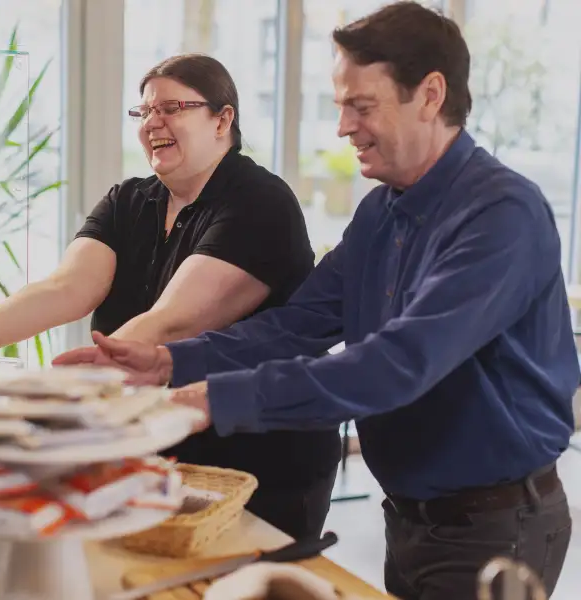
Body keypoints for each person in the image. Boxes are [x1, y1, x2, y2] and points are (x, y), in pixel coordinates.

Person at [52, 4, 578, 599]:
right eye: (340, 107)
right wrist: (173, 362)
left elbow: (397, 365)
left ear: (430, 94)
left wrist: (210, 399)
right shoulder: (381, 211)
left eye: (362, 106)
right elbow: (298, 323)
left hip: (496, 527)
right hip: (411, 518)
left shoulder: (501, 214)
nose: (343, 128)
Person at [0, 53, 342, 540]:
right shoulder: (129, 200)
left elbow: (171, 324)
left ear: (224, 119)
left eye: (172, 107)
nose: (154, 122)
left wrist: (38, 414)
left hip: (257, 464)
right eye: (145, 111)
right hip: (156, 453)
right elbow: (64, 289)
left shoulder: (260, 200)